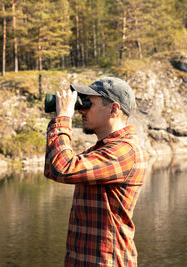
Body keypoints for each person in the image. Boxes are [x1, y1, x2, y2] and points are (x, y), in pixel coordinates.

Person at [44, 77, 147, 267]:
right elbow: (52, 169)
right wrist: (59, 120)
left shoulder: (125, 151)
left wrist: (63, 117)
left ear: (114, 109)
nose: (81, 109)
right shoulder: (102, 150)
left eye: (88, 103)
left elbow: (63, 168)